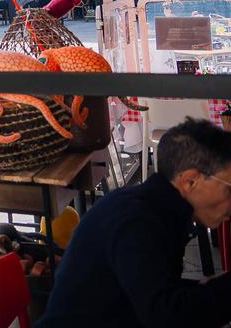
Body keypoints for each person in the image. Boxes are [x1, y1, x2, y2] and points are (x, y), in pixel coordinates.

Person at [40, 118, 231, 327]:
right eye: (229, 189)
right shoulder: (136, 220)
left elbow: (156, 291)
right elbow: (166, 316)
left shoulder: (156, 210)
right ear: (191, 181)